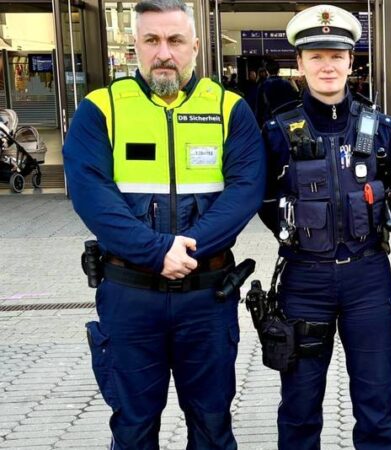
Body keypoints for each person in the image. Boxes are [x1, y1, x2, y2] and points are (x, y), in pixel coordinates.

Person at [62, 0, 265, 448]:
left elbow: (245, 190)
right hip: (130, 296)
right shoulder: (102, 109)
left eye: (174, 40)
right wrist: (156, 252)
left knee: (212, 427)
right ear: (135, 46)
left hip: (207, 295)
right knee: (133, 428)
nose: (164, 53)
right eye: (151, 40)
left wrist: (184, 248)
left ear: (195, 46)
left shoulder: (230, 109)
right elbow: (91, 194)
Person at [259, 5, 391, 449]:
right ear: (300, 63)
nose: (327, 65)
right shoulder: (277, 131)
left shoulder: (380, 128)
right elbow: (265, 201)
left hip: (369, 279)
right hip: (304, 281)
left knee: (377, 407)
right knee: (300, 410)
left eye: (336, 56)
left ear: (351, 61)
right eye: (316, 56)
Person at [255, 57, 300, 126]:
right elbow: (296, 98)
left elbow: (259, 106)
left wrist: (258, 122)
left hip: (270, 119)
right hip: (287, 118)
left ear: (267, 71)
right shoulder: (286, 83)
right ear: (278, 70)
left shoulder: (263, 85)